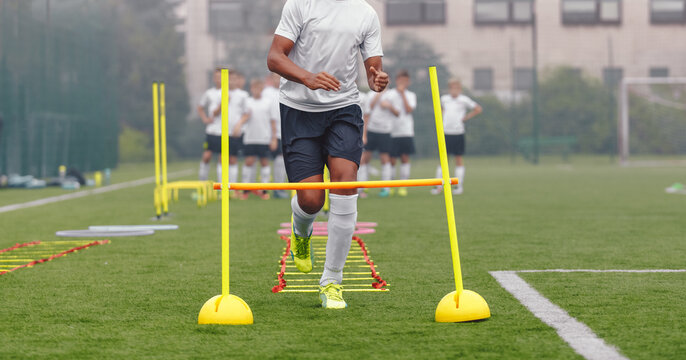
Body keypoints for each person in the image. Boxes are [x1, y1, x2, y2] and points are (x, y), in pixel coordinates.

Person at [267, 0, 388, 309]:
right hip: (298, 110)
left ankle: (332, 281)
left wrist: (376, 81)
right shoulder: (299, 5)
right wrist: (307, 77)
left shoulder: (366, 13)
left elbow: (374, 70)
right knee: (311, 200)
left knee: (346, 184)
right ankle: (301, 231)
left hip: (344, 108)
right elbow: (274, 57)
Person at [431, 78, 482, 195]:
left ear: (460, 89)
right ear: (449, 89)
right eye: (452, 88)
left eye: (457, 88)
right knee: (443, 160)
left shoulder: (464, 100)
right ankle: (439, 186)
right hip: (445, 133)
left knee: (458, 159)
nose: (454, 90)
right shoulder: (444, 99)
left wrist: (466, 118)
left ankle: (458, 186)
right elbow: (440, 109)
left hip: (458, 133)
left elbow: (478, 109)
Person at [232, 79, 277, 200]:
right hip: (250, 138)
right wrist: (238, 126)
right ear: (251, 89)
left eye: (259, 88)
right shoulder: (247, 102)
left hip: (264, 138)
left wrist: (274, 138)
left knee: (264, 162)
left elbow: (273, 121)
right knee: (248, 162)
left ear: (262, 89)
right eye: (254, 88)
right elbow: (242, 117)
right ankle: (246, 190)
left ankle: (264, 190)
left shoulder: (268, 102)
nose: (256, 90)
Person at [388, 70, 417, 197]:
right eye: (400, 80)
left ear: (408, 82)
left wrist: (403, 94)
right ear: (396, 80)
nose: (402, 83)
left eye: (405, 81)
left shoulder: (411, 95)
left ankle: (403, 186)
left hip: (406, 131)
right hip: (392, 131)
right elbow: (387, 108)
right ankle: (392, 185)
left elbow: (409, 109)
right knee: (392, 160)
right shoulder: (390, 94)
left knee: (405, 158)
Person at [263, 73, 289, 199]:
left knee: (281, 158)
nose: (278, 79)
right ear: (270, 79)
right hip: (267, 132)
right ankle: (264, 189)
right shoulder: (266, 93)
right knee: (262, 159)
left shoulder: (287, 90)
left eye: (280, 77)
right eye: (276, 77)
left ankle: (278, 187)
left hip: (282, 131)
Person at [197, 68, 223, 181]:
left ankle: (222, 186)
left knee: (222, 158)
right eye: (216, 77)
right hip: (212, 130)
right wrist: (205, 119)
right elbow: (200, 107)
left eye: (220, 77)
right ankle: (202, 182)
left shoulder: (229, 92)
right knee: (207, 156)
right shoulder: (209, 93)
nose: (218, 79)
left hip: (225, 130)